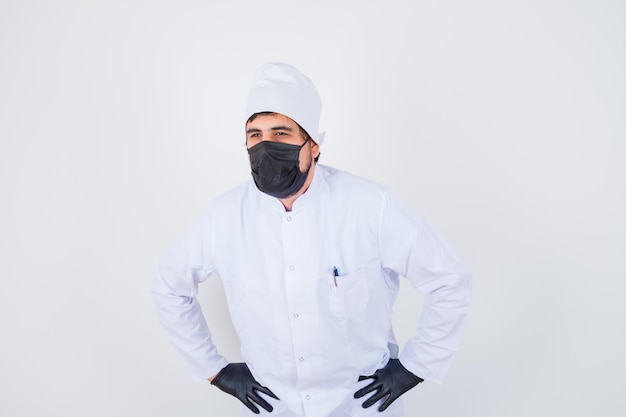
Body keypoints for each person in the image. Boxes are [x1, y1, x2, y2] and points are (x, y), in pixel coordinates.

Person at [152, 62, 471, 417]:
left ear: (313, 145)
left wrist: (416, 366)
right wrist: (214, 369)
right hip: (273, 406)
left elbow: (449, 279)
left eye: (281, 133)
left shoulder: (368, 206)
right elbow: (169, 287)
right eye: (254, 135)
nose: (265, 145)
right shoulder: (224, 216)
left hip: (360, 405)